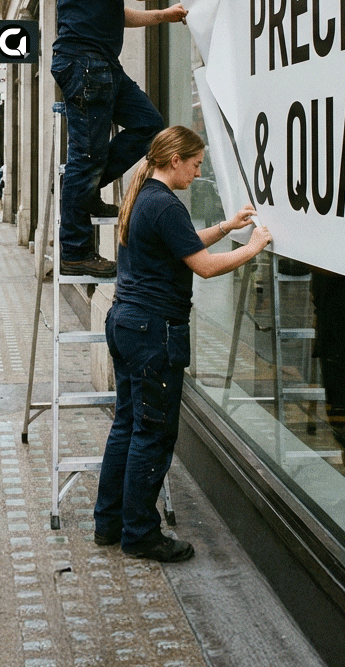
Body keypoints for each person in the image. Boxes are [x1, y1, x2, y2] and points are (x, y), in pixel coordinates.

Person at [94, 125, 270, 561]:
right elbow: (204, 267)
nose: (197, 172)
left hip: (125, 322)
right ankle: (140, 534)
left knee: (127, 425)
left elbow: (184, 245)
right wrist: (254, 247)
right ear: (175, 160)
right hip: (153, 331)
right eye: (195, 164)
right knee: (152, 435)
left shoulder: (143, 197)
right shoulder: (164, 204)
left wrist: (227, 227)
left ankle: (109, 522)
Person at [53, 0, 229, 278]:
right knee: (84, 155)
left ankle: (90, 187)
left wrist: (164, 17)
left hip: (99, 63)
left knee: (148, 124)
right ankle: (75, 249)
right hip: (85, 63)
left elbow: (121, 14)